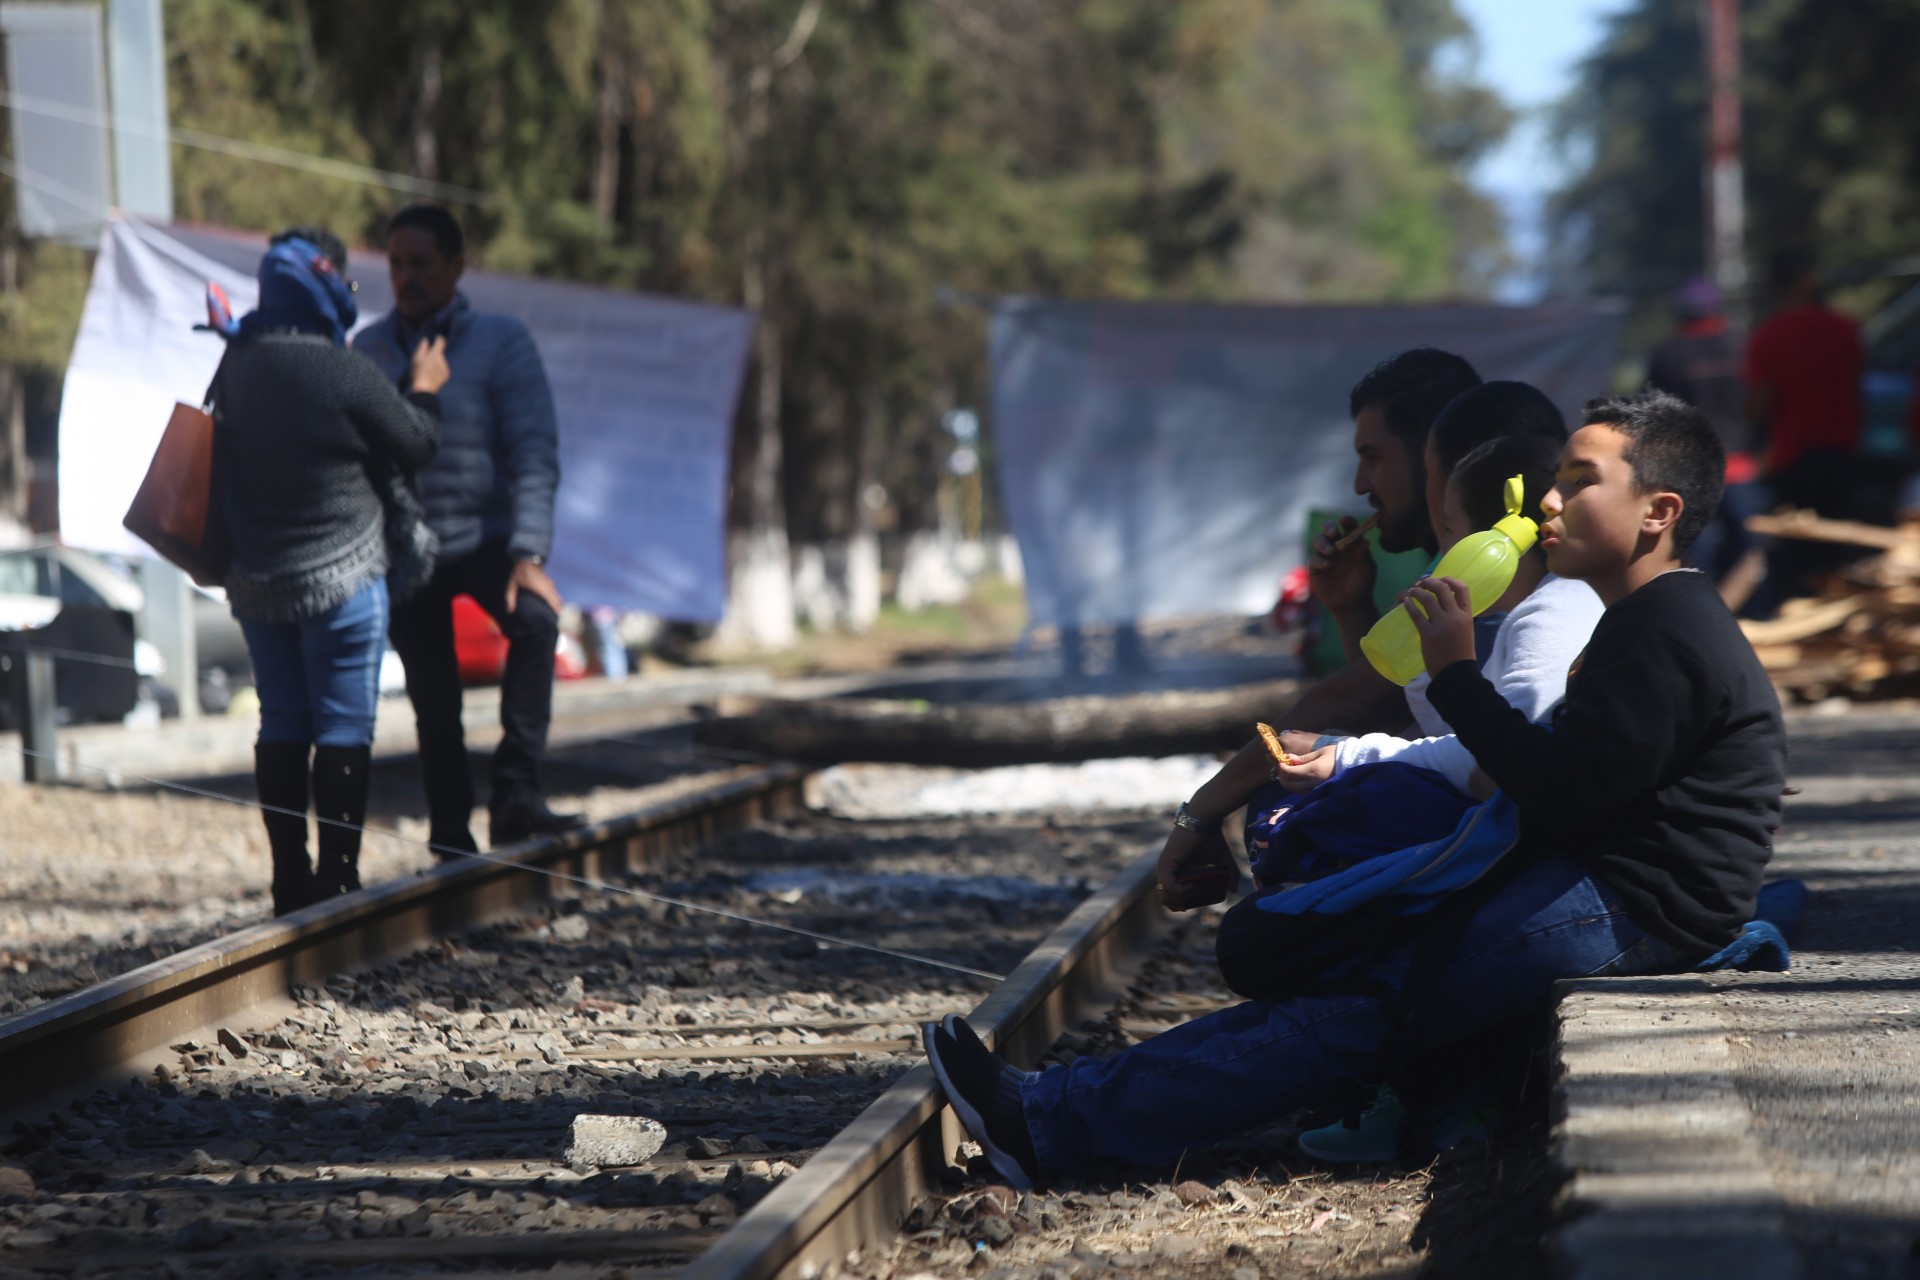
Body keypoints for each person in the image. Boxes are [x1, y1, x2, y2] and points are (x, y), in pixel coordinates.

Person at [924, 389, 1786, 1188]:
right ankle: (1060, 1111)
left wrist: (1455, 675)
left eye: (1579, 481)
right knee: (1370, 987)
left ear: (1658, 513)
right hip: (1612, 883)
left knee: (1376, 1002)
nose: (1550, 503)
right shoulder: (1648, 617)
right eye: (1555, 478)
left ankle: (1056, 1123)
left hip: (1639, 904)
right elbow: (1559, 784)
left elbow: (1554, 790)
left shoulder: (1664, 632)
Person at [216, 228, 446, 915]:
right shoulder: (341, 368)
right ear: (324, 287)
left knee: (281, 718)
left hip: (257, 582)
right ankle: (338, 879)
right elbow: (417, 443)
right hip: (344, 577)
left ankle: (289, 882)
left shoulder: (237, 362)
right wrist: (427, 387)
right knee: (345, 724)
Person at [352, 205, 582, 852]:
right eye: (396, 264)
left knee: (537, 623)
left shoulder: (503, 342)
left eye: (421, 263)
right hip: (409, 549)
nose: (406, 277)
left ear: (457, 267)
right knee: (433, 690)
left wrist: (528, 552)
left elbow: (534, 451)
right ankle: (449, 829)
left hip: (489, 540)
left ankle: (516, 794)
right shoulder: (367, 350)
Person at [1277, 348, 1483, 742]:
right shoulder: (1441, 563)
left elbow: (1348, 703)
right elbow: (1392, 713)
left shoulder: (1480, 569)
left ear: (1431, 454)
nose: (1361, 485)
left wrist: (1201, 804)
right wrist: (1350, 606)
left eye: (1372, 457)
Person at [1744, 248, 1864, 608]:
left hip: (1792, 459)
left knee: (1792, 565)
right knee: (1835, 559)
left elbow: (1758, 405)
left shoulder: (1768, 336)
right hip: (1840, 453)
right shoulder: (1844, 328)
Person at [1647, 279, 1758, 584]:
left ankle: (1705, 614)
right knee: (1752, 550)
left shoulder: (1667, 355)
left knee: (1699, 551)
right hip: (1744, 466)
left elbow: (1657, 416)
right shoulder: (1741, 346)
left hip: (1692, 470)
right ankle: (1759, 616)